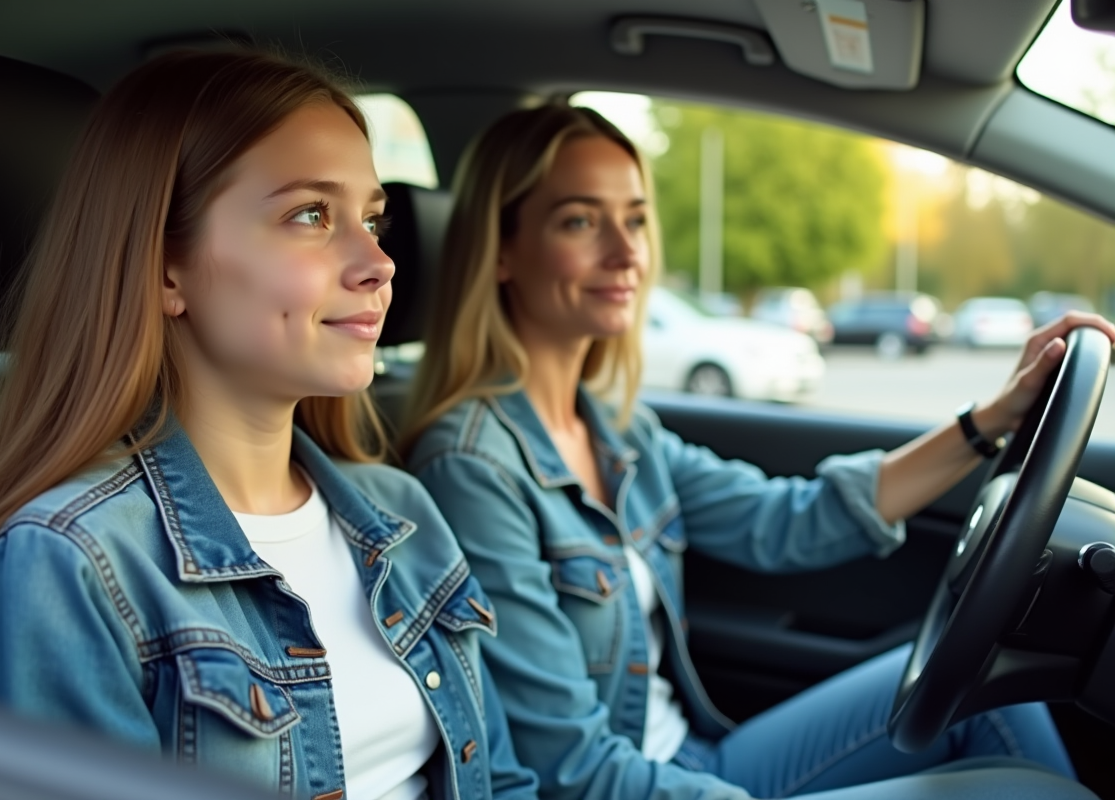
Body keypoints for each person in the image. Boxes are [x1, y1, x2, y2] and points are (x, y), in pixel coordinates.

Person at [401, 104, 1115, 800]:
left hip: (695, 758)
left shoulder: (620, 432)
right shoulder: (472, 470)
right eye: (581, 221)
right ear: (500, 250)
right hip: (628, 786)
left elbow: (788, 521)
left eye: (636, 219)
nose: (626, 253)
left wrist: (991, 419)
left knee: (990, 699)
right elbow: (569, 769)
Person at [0, 50, 537, 800]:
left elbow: (501, 782)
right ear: (165, 268)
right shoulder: (72, 562)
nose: (379, 262)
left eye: (372, 220)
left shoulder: (402, 513)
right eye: (311, 215)